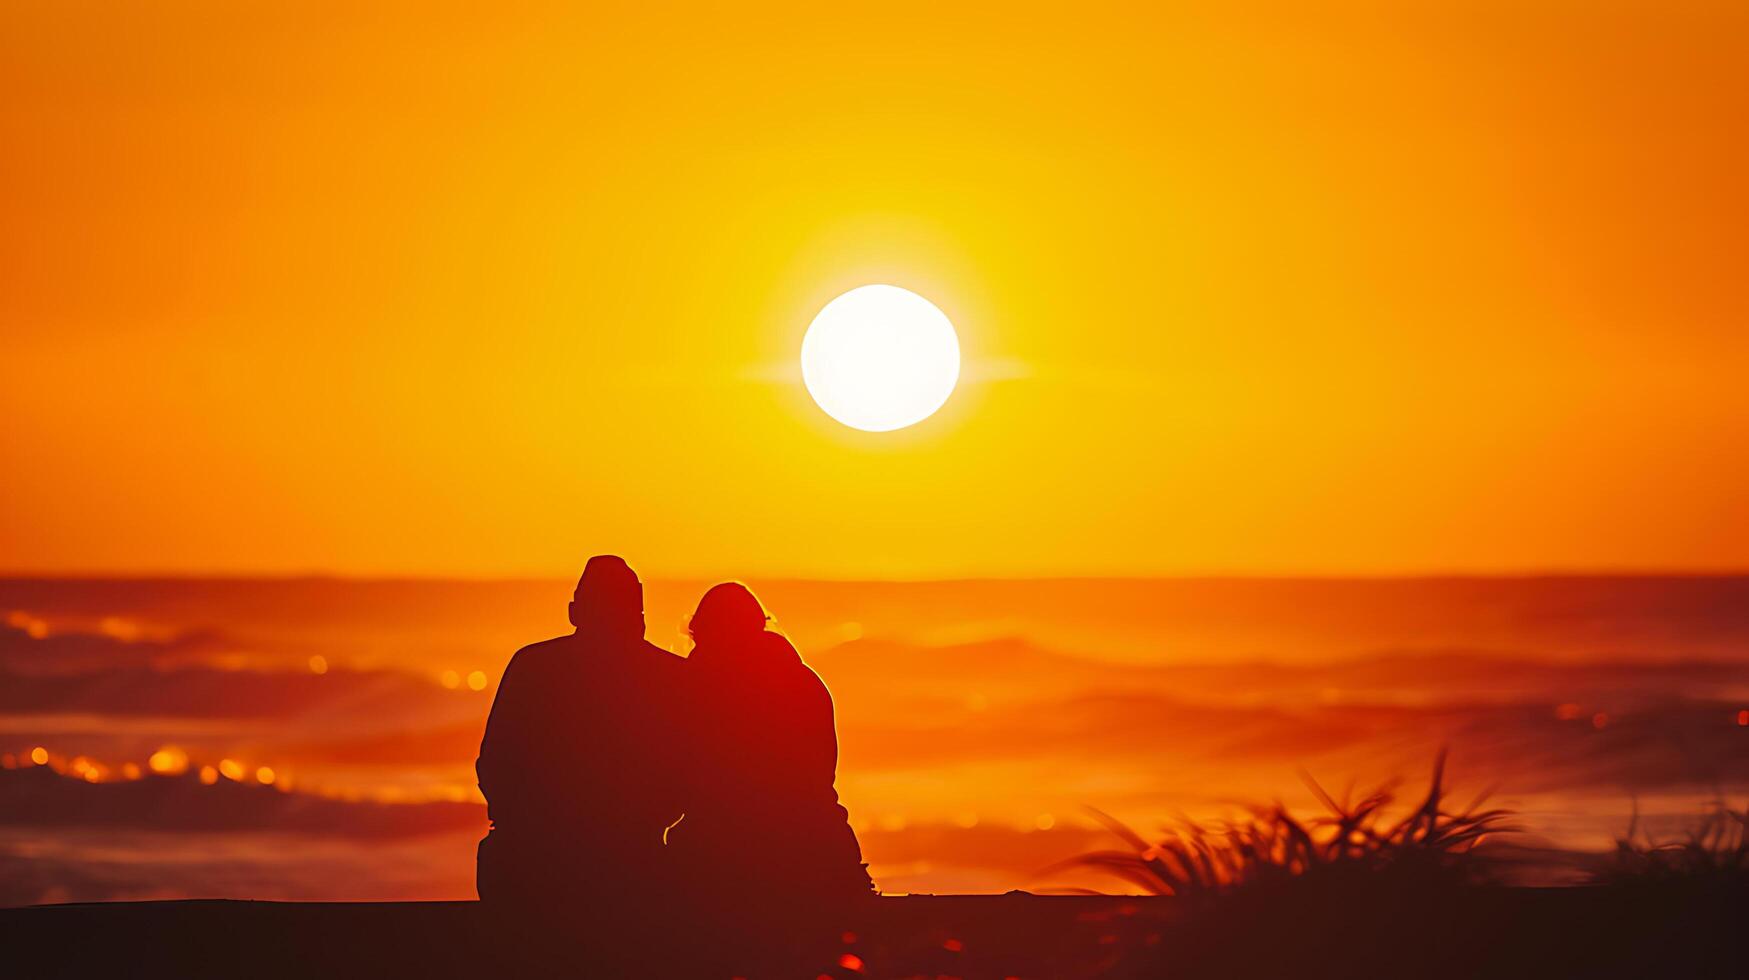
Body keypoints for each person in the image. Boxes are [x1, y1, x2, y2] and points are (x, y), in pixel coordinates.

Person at [474, 555, 687, 910]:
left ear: (573, 612)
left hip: (536, 862)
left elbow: (494, 764)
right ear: (642, 619)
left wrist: (525, 824)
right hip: (636, 863)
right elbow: (691, 780)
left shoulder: (532, 667)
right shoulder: (672, 676)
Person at [666, 582, 874, 924]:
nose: (695, 651)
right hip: (822, 848)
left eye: (701, 640)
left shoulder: (707, 690)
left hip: (740, 856)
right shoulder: (805, 682)